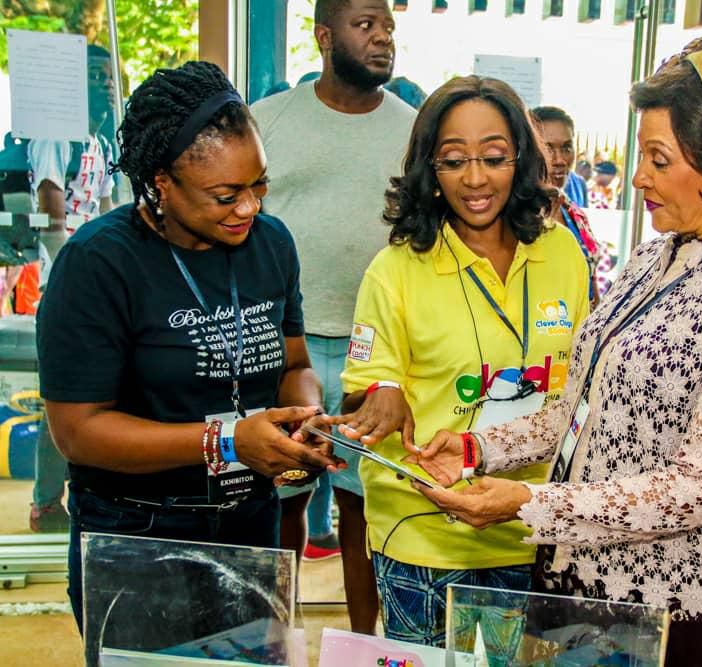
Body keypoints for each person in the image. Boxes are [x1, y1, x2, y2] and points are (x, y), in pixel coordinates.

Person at [410, 42, 702, 664]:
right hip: (586, 570)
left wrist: (528, 502)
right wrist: (478, 449)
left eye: (658, 159)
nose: (637, 177)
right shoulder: (654, 258)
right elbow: (581, 409)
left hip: (679, 601)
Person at [35, 61, 340, 633]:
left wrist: (306, 415)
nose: (249, 208)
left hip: (250, 523)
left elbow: (294, 364)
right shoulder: (99, 263)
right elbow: (77, 431)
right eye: (225, 195)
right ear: (162, 183)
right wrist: (227, 440)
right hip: (138, 534)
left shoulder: (271, 244)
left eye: (259, 185)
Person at [331, 75, 590, 647]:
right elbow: (362, 390)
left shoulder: (562, 254)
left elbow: (579, 389)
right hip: (424, 535)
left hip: (529, 525)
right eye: (453, 161)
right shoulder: (396, 270)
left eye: (494, 158)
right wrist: (381, 391)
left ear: (521, 159)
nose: (475, 179)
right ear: (431, 168)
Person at [250, 0, 415, 633]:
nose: (382, 37)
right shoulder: (268, 120)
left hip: (374, 350)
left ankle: (365, 646)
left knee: (360, 507)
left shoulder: (413, 130)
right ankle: (274, 640)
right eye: (365, 25)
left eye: (387, 26)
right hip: (283, 345)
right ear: (324, 35)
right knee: (284, 499)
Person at [26, 43, 117, 534]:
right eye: (95, 77)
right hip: (65, 282)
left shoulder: (99, 142)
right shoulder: (55, 138)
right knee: (62, 397)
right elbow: (52, 210)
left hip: (97, 284)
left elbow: (106, 210)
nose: (106, 85)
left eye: (109, 77)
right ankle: (45, 502)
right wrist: (76, 280)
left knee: (98, 392)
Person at [531, 106, 612, 302]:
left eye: (567, 148)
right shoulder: (516, 217)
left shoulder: (573, 211)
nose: (560, 160)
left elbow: (590, 279)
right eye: (548, 149)